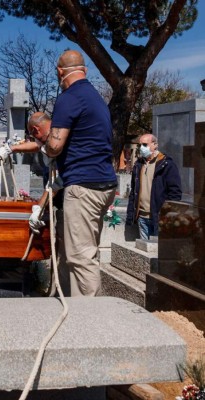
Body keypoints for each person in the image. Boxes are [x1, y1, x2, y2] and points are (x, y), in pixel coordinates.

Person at [44, 50, 117, 297]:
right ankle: (66, 301)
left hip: (83, 185)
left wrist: (47, 149)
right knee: (77, 252)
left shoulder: (69, 97)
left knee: (81, 257)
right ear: (85, 70)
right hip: (102, 182)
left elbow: (55, 145)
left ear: (60, 72)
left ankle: (88, 319)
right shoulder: (95, 97)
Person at [126, 133, 182, 240]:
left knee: (158, 253)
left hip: (158, 218)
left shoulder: (166, 164)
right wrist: (130, 216)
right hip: (142, 217)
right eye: (140, 145)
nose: (142, 148)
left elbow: (175, 192)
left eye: (145, 145)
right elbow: (134, 192)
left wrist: (167, 215)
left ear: (155, 145)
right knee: (144, 252)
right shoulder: (138, 165)